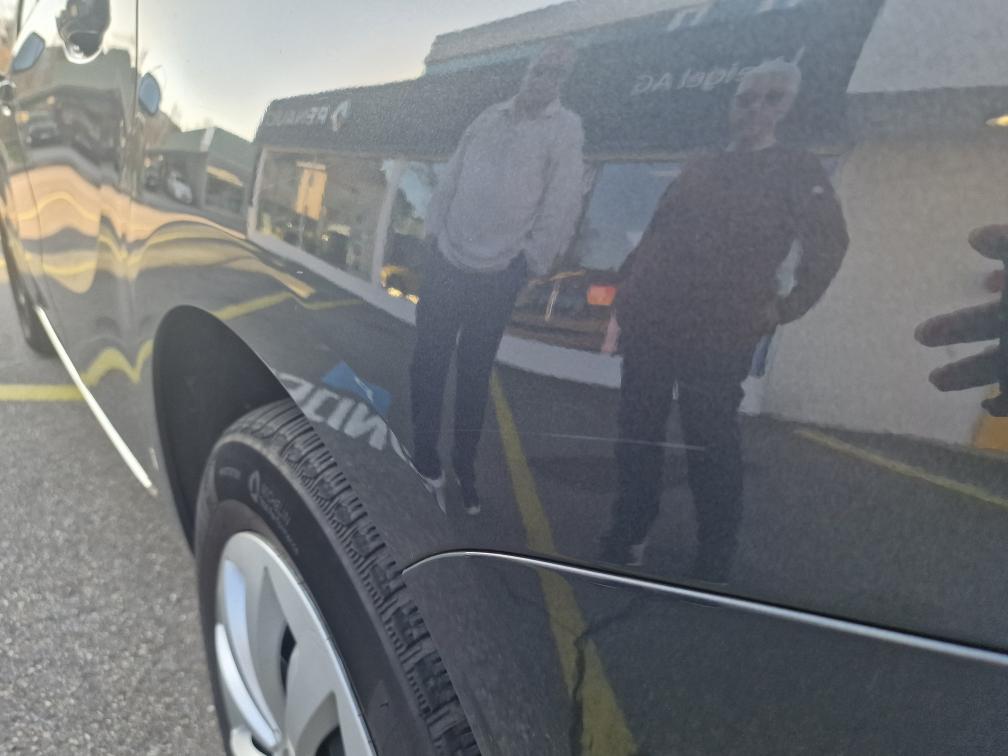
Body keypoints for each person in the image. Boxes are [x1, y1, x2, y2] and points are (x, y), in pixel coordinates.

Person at [600, 59, 849, 580]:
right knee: (637, 434)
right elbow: (658, 232)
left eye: (772, 98)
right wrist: (629, 293)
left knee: (709, 443)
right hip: (653, 323)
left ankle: (714, 552)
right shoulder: (701, 165)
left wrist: (785, 308)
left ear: (789, 108)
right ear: (731, 105)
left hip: (719, 334)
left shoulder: (797, 169)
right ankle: (629, 531)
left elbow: (829, 245)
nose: (756, 108)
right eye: (746, 98)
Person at [409, 40, 585, 514]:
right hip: (448, 258)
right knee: (427, 362)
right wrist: (433, 233)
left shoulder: (565, 129)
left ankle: (463, 467)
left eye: (554, 73)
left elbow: (563, 200)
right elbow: (452, 176)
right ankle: (424, 457)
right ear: (526, 72)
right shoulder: (489, 117)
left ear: (563, 83)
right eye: (537, 69)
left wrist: (529, 263)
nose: (542, 79)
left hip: (498, 273)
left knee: (473, 374)